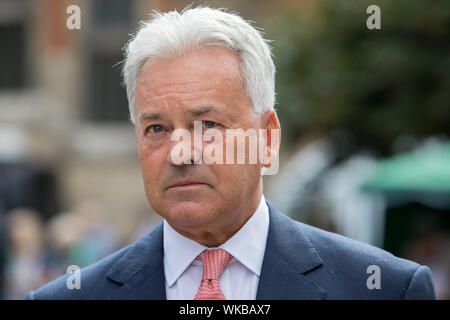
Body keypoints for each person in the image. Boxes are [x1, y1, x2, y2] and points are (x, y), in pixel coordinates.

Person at [27, 6, 436, 300]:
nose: (180, 152)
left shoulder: (384, 289)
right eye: (157, 128)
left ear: (268, 138)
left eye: (208, 125)